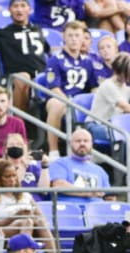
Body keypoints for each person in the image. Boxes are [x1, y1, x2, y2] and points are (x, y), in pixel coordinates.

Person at [0, 0, 49, 112]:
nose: (19, 9)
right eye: (15, 6)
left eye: (23, 6)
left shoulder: (37, 29)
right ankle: (19, 122)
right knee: (23, 77)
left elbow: (48, 50)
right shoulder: (3, 33)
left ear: (29, 10)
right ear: (9, 10)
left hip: (40, 77)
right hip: (16, 78)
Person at [0, 160, 58, 253]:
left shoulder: (26, 195)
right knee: (25, 222)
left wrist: (29, 215)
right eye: (7, 177)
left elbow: (41, 218)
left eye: (14, 176)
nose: (12, 180)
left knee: (39, 222)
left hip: (31, 229)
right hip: (3, 231)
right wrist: (16, 216)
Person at [44, 21, 99, 159]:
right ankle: (53, 151)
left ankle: (96, 152)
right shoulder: (55, 59)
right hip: (60, 98)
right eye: (70, 35)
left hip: (80, 101)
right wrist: (69, 102)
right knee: (57, 104)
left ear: (83, 38)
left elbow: (94, 87)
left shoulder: (88, 61)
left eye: (77, 35)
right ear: (64, 37)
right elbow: (54, 87)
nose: (74, 39)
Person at [49, 127, 114, 202]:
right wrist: (90, 192)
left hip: (96, 212)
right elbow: (59, 185)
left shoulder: (100, 171)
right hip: (69, 211)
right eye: (78, 141)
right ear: (70, 144)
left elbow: (109, 197)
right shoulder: (60, 163)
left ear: (91, 144)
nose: (82, 143)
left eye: (86, 141)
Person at [86, 51, 130, 146]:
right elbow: (125, 107)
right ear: (120, 71)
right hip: (96, 125)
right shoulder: (108, 85)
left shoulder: (125, 87)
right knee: (124, 135)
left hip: (114, 124)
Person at [3, 133, 50, 201]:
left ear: (25, 148)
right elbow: (11, 188)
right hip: (12, 203)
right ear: (5, 149)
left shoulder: (33, 166)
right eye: (12, 144)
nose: (16, 147)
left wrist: (44, 166)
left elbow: (44, 191)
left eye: (19, 144)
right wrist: (20, 166)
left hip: (35, 204)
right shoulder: (1, 167)